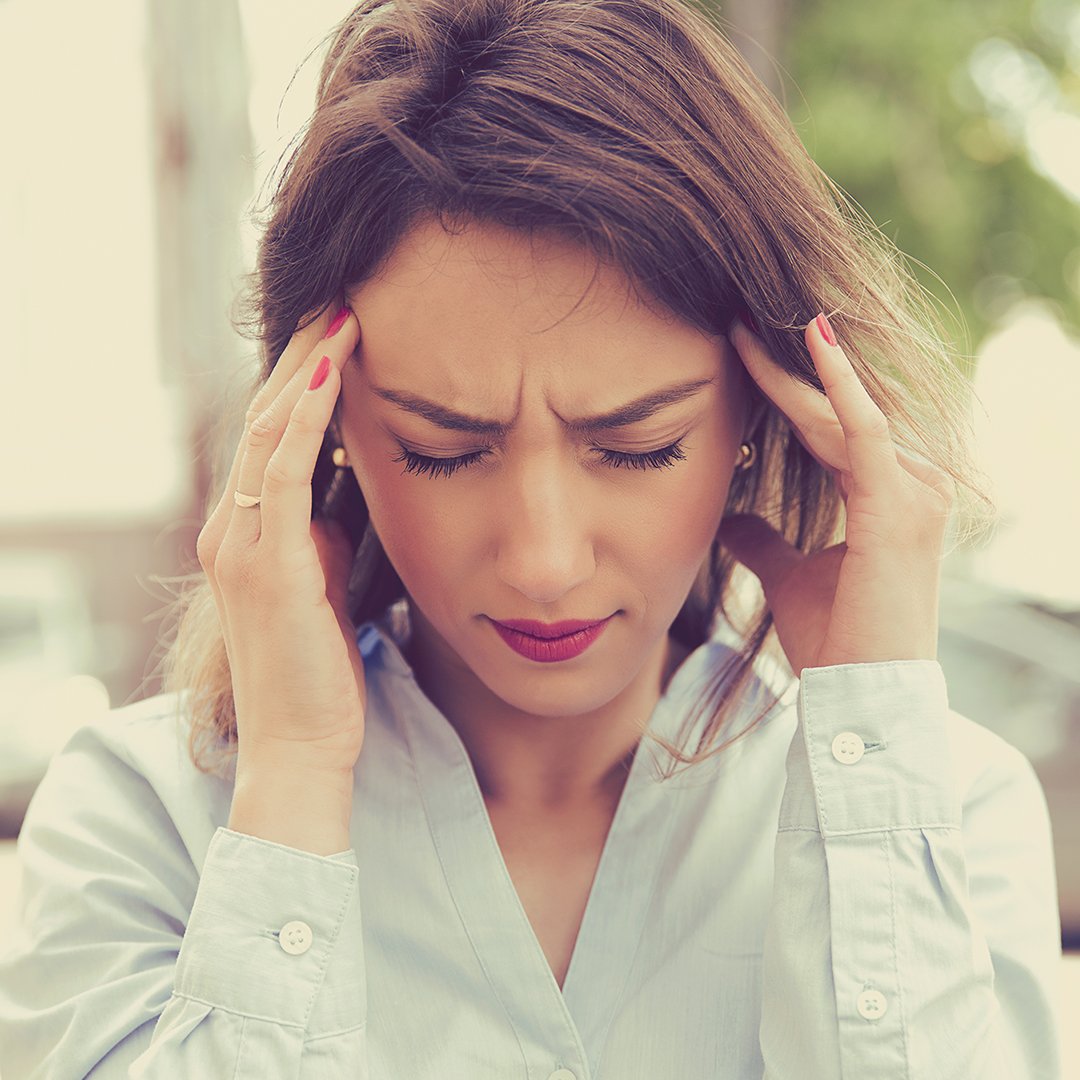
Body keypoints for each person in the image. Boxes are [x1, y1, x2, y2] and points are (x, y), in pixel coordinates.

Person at [0, 0, 1063, 1076]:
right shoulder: (141, 823)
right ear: (324, 430)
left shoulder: (946, 817)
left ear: (765, 414)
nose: (545, 562)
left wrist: (870, 752)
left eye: (640, 445)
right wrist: (293, 787)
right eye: (444, 450)